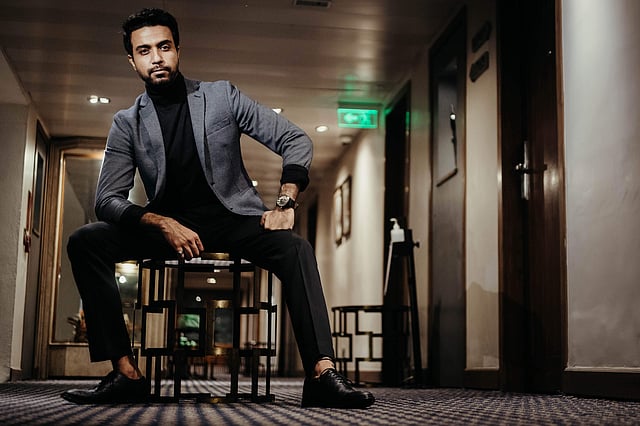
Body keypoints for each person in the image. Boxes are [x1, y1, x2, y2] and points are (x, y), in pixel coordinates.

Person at [61, 8, 374, 409]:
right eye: (144, 50)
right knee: (85, 241)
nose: (156, 58)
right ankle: (126, 374)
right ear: (132, 60)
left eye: (164, 47)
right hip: (168, 227)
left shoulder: (221, 96)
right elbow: (107, 199)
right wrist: (160, 222)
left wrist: (285, 201)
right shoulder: (127, 123)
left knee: (296, 249)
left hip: (234, 218)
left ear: (178, 49)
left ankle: (321, 373)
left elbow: (295, 139)